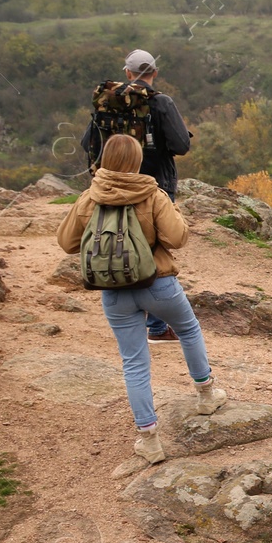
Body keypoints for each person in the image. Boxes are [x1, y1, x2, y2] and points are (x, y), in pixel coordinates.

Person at [56, 133, 226, 466]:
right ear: (137, 161)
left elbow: (66, 242)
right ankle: (206, 396)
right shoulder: (151, 194)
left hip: (114, 293)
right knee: (189, 331)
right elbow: (177, 238)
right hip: (158, 283)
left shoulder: (89, 198)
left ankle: (149, 441)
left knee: (134, 363)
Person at [80, 48, 192, 343]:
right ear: (154, 73)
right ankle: (156, 326)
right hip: (153, 185)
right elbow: (181, 146)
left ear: (127, 73)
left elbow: (85, 142)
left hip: (111, 186)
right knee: (153, 248)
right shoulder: (161, 103)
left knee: (118, 241)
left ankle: (129, 314)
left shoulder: (108, 101)